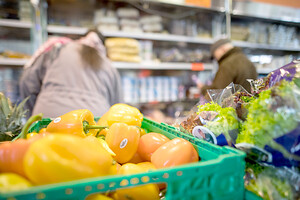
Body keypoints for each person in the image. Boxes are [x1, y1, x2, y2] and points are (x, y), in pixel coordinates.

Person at [19, 29, 123, 118]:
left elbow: (27, 81)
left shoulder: (59, 49)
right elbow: (118, 109)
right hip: (94, 121)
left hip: (48, 117)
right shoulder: (109, 66)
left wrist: (33, 114)